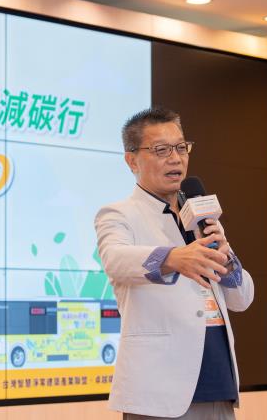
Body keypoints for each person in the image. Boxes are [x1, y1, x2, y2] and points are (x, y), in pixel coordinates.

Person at [94, 108, 254, 420]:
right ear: (131, 161)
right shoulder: (119, 214)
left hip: (219, 384)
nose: (176, 158)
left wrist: (227, 260)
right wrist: (173, 258)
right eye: (161, 150)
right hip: (159, 392)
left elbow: (242, 298)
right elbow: (115, 259)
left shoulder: (202, 217)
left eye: (181, 147)